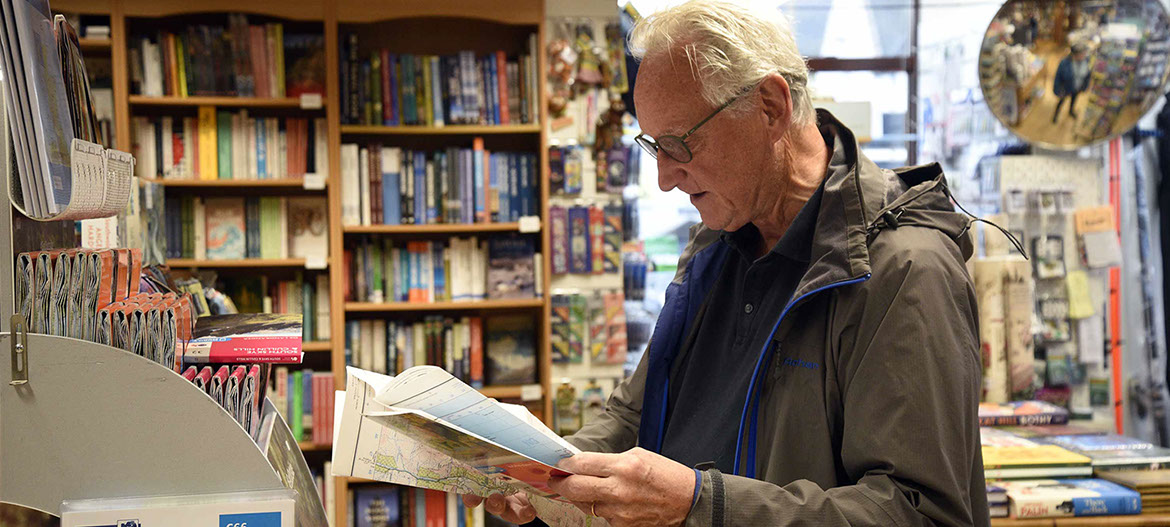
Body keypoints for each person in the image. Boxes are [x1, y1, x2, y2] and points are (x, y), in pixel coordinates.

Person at [465, 1, 988, 525]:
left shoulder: (903, 271)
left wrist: (701, 504)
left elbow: (921, 513)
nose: (666, 178)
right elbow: (637, 411)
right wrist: (546, 472)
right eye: (653, 146)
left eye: (679, 144)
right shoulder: (716, 244)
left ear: (770, 106)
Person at [1052, 42, 1091, 124]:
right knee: (1061, 102)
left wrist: (1085, 86)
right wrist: (1057, 90)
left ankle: (1071, 111)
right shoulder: (1064, 63)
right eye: (1082, 54)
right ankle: (1055, 115)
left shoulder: (1086, 60)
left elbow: (1088, 75)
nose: (1084, 55)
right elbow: (1057, 78)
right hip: (1065, 88)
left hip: (1077, 87)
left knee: (1074, 99)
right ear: (1074, 55)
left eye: (1084, 53)